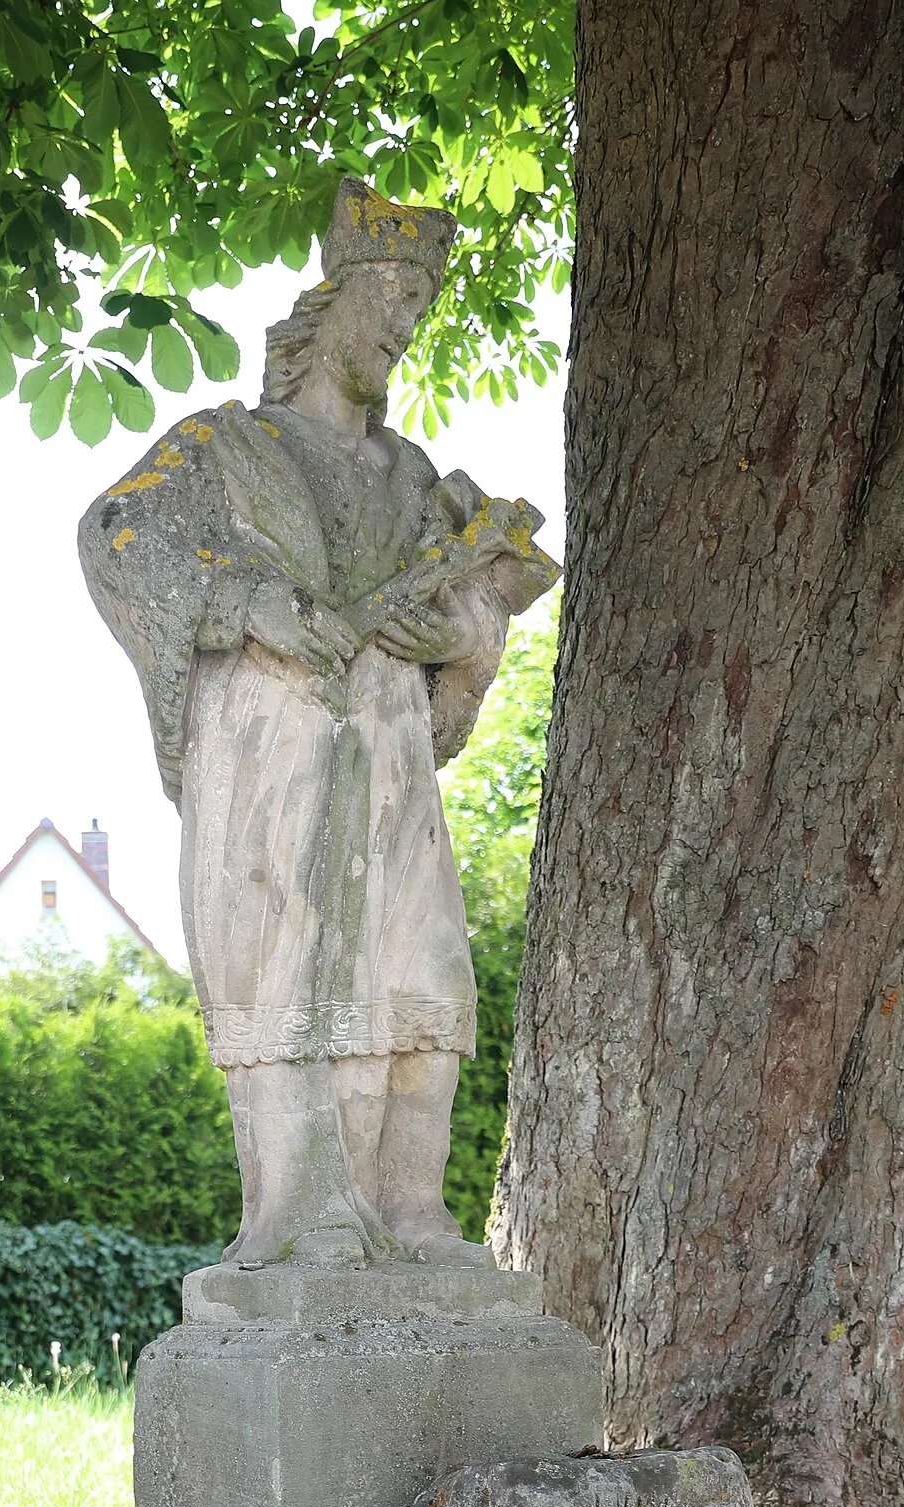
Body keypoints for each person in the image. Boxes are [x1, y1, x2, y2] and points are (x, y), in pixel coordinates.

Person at [80, 179, 558, 1266]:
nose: (401, 323)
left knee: (419, 971)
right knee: (293, 964)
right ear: (329, 297)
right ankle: (300, 1217)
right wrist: (255, 607)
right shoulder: (222, 448)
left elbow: (455, 678)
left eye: (419, 305)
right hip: (274, 753)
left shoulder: (414, 481)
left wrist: (474, 632)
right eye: (389, 292)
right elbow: (115, 535)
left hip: (391, 754)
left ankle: (410, 1211)